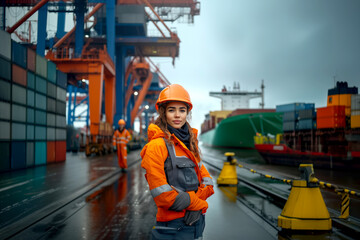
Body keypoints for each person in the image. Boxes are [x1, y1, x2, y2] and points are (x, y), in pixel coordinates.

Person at [141, 84, 214, 239]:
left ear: (187, 113)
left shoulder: (190, 144)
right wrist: (198, 204)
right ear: (163, 112)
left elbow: (207, 183)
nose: (177, 115)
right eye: (171, 110)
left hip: (197, 224)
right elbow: (162, 195)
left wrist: (193, 204)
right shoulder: (156, 146)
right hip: (172, 228)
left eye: (182, 110)